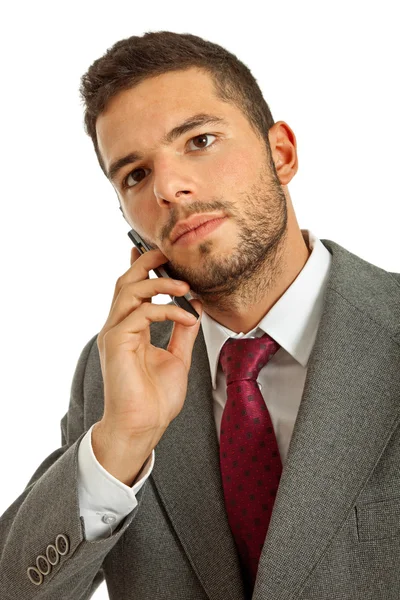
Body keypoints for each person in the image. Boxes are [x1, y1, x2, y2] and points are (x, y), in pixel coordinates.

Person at [1, 30, 399, 600]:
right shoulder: (115, 370)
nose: (168, 187)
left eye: (200, 139)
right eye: (135, 175)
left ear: (280, 154)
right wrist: (118, 446)